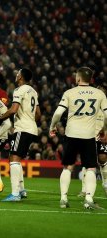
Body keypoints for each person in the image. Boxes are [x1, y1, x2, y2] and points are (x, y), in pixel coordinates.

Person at [49, 67, 107, 209]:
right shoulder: (99, 94)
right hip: (89, 136)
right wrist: (103, 130)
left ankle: (63, 199)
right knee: (91, 168)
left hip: (72, 134)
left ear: (78, 78)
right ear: (90, 79)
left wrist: (52, 126)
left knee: (68, 167)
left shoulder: (70, 92)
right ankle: (88, 199)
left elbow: (58, 113)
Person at [0, 68, 41, 202]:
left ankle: (15, 193)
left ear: (21, 77)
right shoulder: (33, 91)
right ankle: (22, 190)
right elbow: (38, 114)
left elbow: (13, 109)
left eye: (17, 74)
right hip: (32, 128)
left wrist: (0, 118)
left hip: (22, 128)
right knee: (16, 158)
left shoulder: (19, 90)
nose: (16, 75)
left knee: (13, 158)